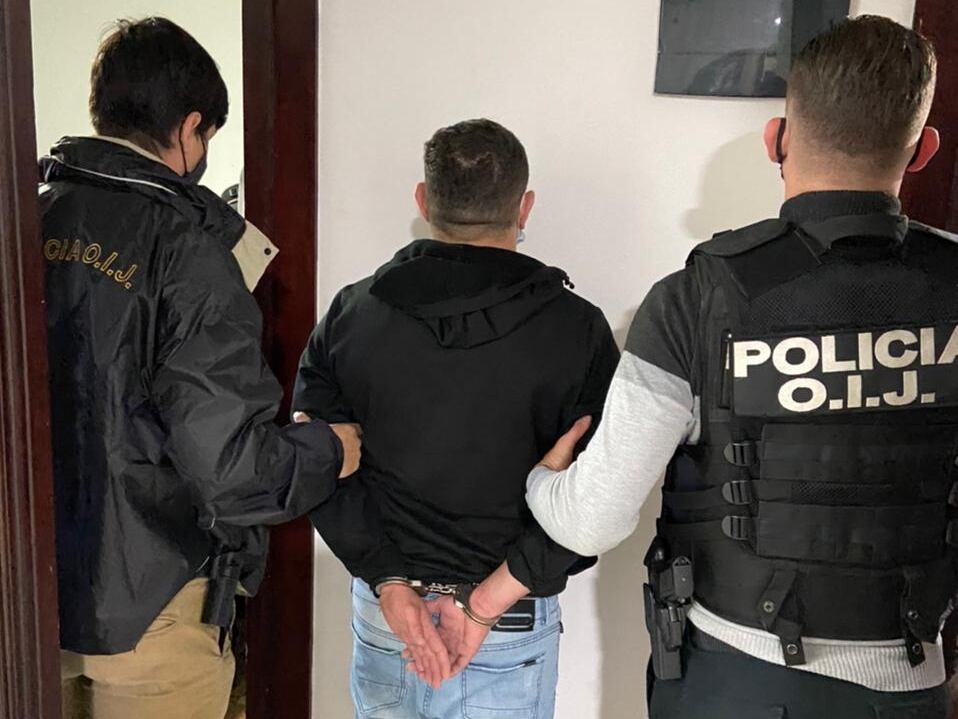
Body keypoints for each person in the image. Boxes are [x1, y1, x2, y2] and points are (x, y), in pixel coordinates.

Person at [525, 15, 958, 719]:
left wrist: (542, 481)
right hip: (912, 685)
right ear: (923, 151)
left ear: (777, 140)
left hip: (737, 684)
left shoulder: (694, 299)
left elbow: (591, 522)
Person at [39, 18, 360, 719]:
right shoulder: (187, 249)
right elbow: (232, 469)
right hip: (152, 610)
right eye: (208, 137)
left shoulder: (30, 219)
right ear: (189, 128)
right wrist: (329, 450)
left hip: (30, 603)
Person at [292, 118, 619, 718]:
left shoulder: (352, 315)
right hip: (503, 619)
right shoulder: (578, 331)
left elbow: (314, 459)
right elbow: (601, 492)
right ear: (523, 206)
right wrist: (487, 601)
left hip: (391, 614)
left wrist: (387, 579)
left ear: (423, 200)